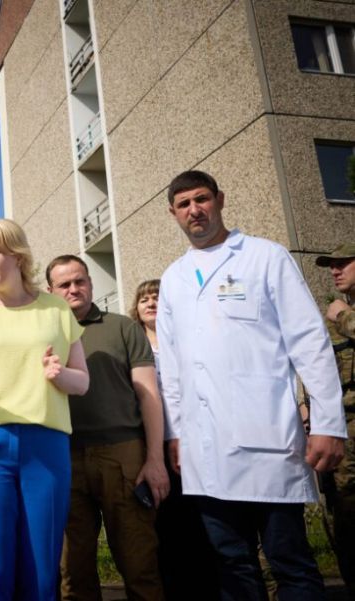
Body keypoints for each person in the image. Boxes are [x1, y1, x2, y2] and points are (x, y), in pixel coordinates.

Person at [158, 170, 346, 600]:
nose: (194, 210)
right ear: (173, 213)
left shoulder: (265, 257)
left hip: (267, 439)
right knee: (231, 564)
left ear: (220, 200)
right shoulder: (173, 278)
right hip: (204, 449)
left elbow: (309, 342)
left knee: (290, 561)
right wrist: (176, 434)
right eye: (184, 204)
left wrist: (328, 424)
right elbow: (170, 365)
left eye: (202, 199)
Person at [0, 219, 89, 600]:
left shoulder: (57, 309)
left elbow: (82, 382)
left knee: (42, 568)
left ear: (18, 255)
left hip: (46, 445)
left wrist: (60, 375)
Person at [47, 255, 169, 601]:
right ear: (50, 291)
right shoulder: (45, 333)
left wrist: (155, 459)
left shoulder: (123, 327)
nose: (73, 289)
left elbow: (149, 395)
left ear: (90, 283)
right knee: (73, 571)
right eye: (64, 284)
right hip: (63, 456)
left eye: (80, 281)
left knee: (139, 563)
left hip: (123, 454)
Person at [130, 280, 219, 601]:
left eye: (157, 297)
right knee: (165, 522)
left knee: (200, 518)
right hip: (151, 444)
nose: (151, 303)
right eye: (144, 299)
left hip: (192, 440)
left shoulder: (184, 341)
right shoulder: (133, 345)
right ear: (136, 308)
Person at [315, 242, 355, 598]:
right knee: (344, 513)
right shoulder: (332, 316)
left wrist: (344, 316)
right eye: (332, 264)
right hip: (342, 430)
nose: (335, 270)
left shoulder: (340, 314)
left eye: (343, 263)